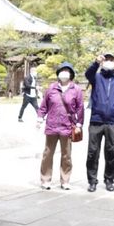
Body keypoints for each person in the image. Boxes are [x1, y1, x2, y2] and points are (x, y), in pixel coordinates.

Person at [85, 53, 114, 192]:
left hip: (112, 122)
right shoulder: (96, 77)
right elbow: (88, 74)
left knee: (112, 152)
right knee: (93, 152)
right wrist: (96, 63)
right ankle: (92, 180)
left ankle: (109, 179)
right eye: (107, 60)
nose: (109, 62)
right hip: (96, 120)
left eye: (112, 60)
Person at [37, 62, 84, 190]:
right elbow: (44, 106)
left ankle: (65, 180)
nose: (64, 73)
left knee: (66, 155)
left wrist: (79, 124)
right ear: (58, 73)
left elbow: (80, 108)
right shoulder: (51, 88)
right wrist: (40, 118)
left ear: (71, 74)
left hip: (67, 126)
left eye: (67, 71)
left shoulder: (76, 90)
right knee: (48, 153)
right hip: (52, 125)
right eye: (62, 70)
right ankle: (45, 179)